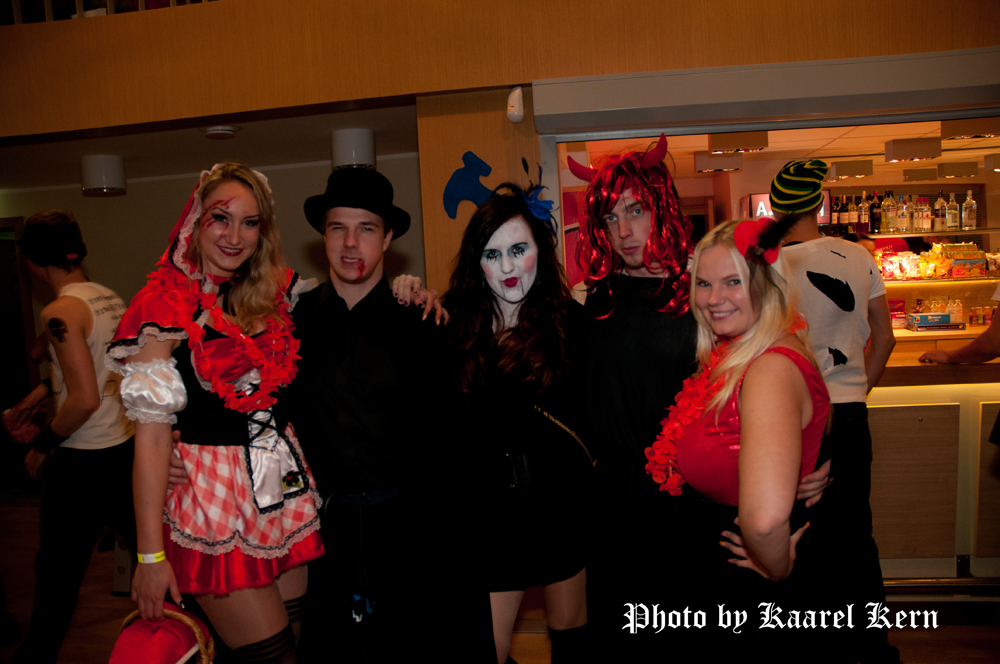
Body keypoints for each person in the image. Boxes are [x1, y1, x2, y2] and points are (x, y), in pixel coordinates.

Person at [108, 163, 323, 664]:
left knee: (296, 645)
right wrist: (149, 556)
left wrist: (410, 289)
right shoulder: (161, 308)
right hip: (212, 506)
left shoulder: (275, 293)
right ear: (194, 220)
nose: (234, 236)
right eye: (220, 218)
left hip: (283, 492)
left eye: (250, 223)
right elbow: (152, 440)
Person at [291, 167, 493, 663]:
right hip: (321, 535)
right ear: (323, 236)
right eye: (338, 228)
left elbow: (453, 437)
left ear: (387, 238)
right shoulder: (294, 324)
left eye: (366, 229)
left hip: (409, 533)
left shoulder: (423, 321)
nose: (351, 243)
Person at [645, 218, 838, 657]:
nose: (714, 299)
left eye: (733, 281)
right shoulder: (737, 353)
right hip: (730, 571)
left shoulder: (769, 368)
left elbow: (765, 521)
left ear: (767, 285)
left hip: (756, 585)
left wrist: (778, 568)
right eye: (704, 283)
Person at [436, 183, 591, 663]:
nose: (507, 267)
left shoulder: (571, 323)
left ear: (539, 250)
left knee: (571, 639)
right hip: (491, 514)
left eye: (518, 250)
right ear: (476, 263)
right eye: (492, 254)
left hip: (559, 505)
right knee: (488, 649)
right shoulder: (451, 324)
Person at [765, 159, 899, 662]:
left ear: (775, 208)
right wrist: (857, 391)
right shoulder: (858, 255)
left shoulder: (765, 264)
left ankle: (809, 648)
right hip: (848, 413)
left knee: (795, 535)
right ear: (818, 204)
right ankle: (870, 647)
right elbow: (884, 338)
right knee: (856, 534)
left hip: (790, 420)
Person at [7, 210, 135, 664]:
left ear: (32, 261)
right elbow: (100, 368)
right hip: (124, 449)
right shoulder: (107, 297)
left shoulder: (59, 310)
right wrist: (41, 392)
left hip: (84, 459)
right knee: (154, 557)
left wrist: (43, 445)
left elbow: (83, 399)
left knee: (57, 575)